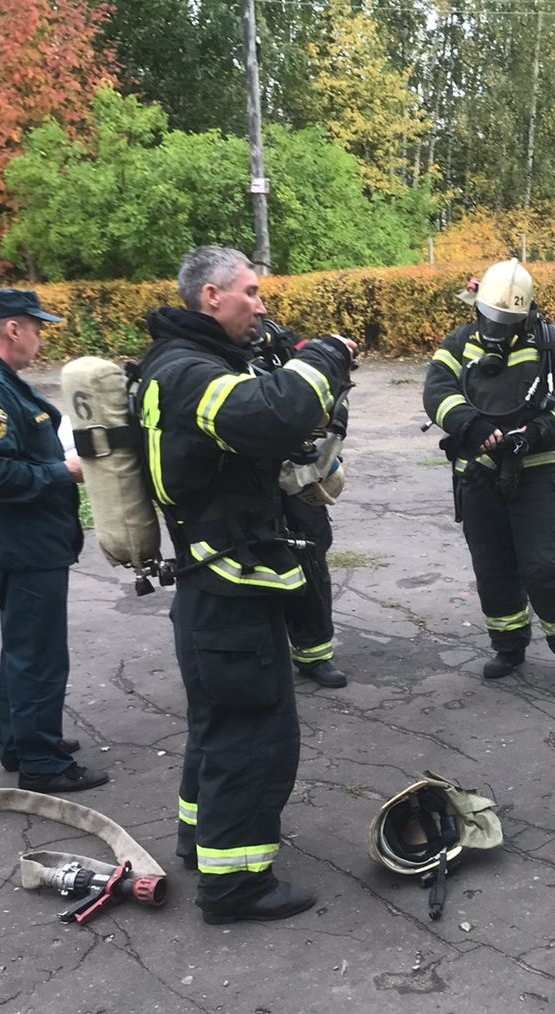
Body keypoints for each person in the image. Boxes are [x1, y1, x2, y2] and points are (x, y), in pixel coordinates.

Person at [133, 246, 355, 924]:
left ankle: (200, 840)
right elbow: (274, 412)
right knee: (254, 735)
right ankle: (236, 885)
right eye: (251, 293)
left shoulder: (179, 363)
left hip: (211, 587)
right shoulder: (189, 374)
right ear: (211, 297)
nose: (261, 306)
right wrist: (325, 357)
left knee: (217, 724)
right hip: (231, 589)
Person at [0, 289, 108, 794]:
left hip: (23, 539)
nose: (40, 337)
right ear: (13, 329)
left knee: (24, 647)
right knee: (39, 654)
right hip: (23, 541)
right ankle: (42, 762)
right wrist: (65, 471)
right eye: (36, 327)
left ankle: (21, 742)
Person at [422, 259, 555, 683]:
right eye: (490, 318)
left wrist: (537, 433)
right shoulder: (460, 343)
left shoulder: (551, 343)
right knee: (493, 566)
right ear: (477, 307)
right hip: (478, 476)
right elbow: (437, 391)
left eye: (506, 321)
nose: (496, 328)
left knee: (546, 565)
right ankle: (508, 647)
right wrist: (472, 425)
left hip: (535, 475)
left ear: (526, 313)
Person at [258, 318, 350, 689]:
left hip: (299, 482)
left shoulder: (289, 350)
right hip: (247, 487)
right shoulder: (215, 362)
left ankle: (315, 654)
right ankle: (258, 654)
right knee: (250, 567)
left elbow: (335, 400)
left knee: (311, 561)